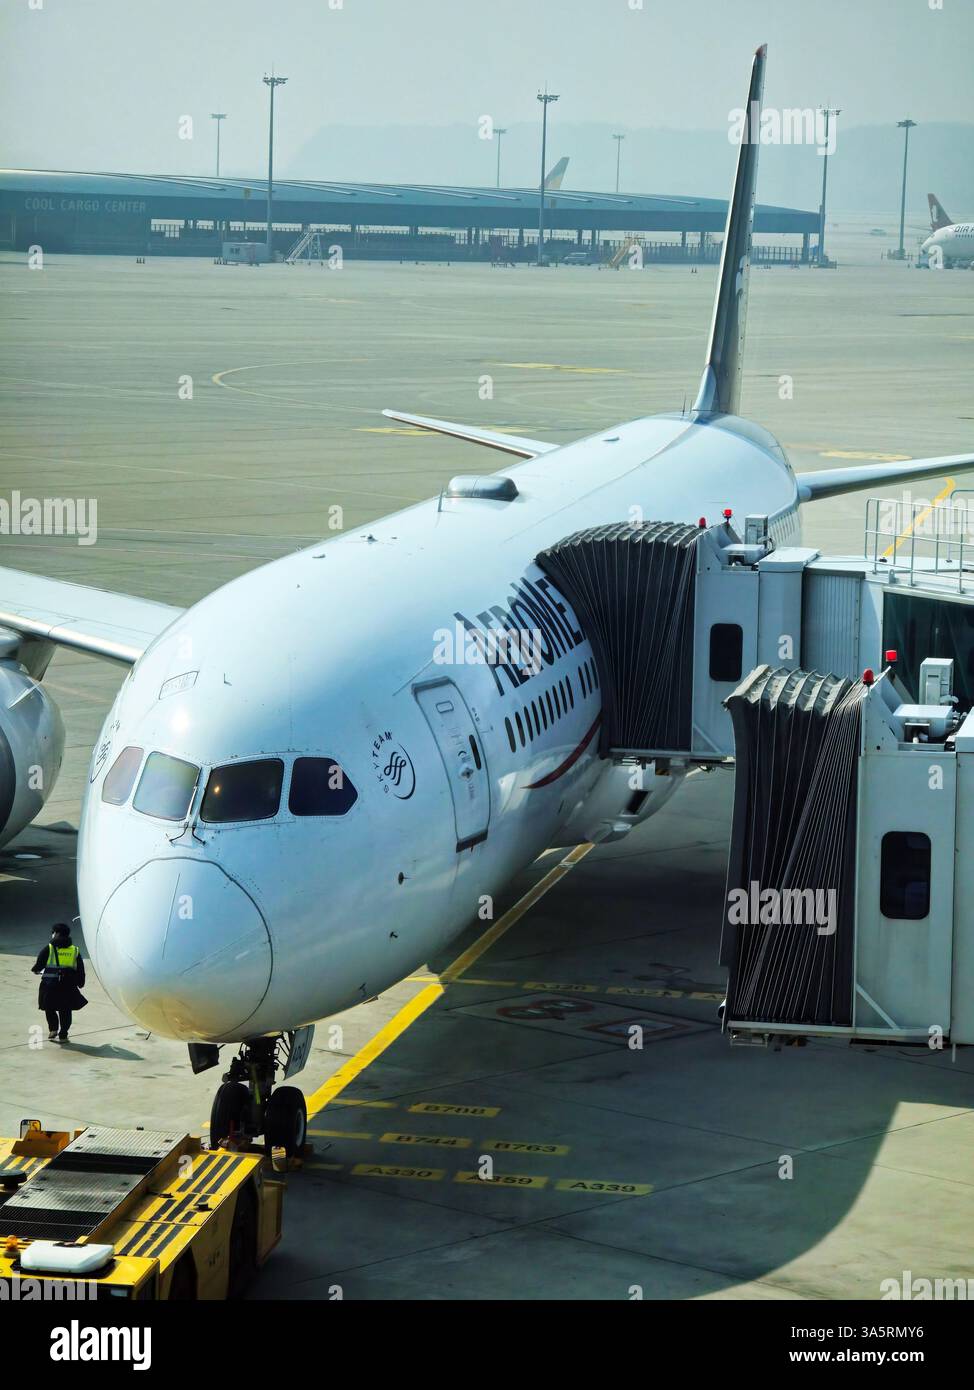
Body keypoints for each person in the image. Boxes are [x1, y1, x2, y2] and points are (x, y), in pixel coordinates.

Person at [31, 923, 87, 1043]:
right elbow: (80, 969)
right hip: (68, 986)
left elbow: (38, 965)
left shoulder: (49, 948)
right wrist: (80, 983)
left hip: (50, 985)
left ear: (56, 933)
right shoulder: (75, 950)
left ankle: (53, 1029)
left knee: (49, 1007)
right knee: (65, 1010)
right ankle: (63, 1034)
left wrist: (36, 970)